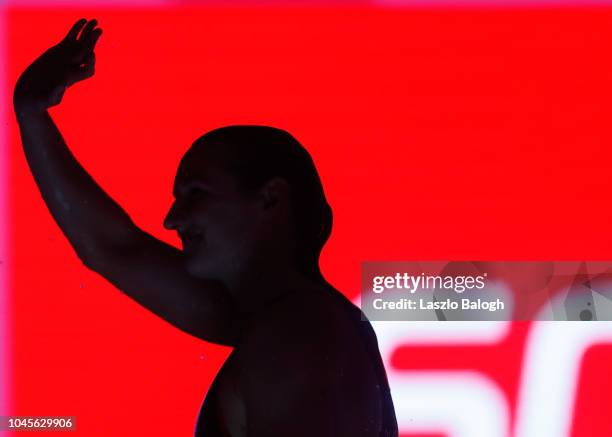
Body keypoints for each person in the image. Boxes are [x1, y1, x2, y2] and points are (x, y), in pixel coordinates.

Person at [13, 18, 398, 436]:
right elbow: (111, 247)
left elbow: (114, 248)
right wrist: (31, 114)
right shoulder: (280, 320)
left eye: (196, 194)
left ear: (271, 198)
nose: (171, 220)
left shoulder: (298, 336)